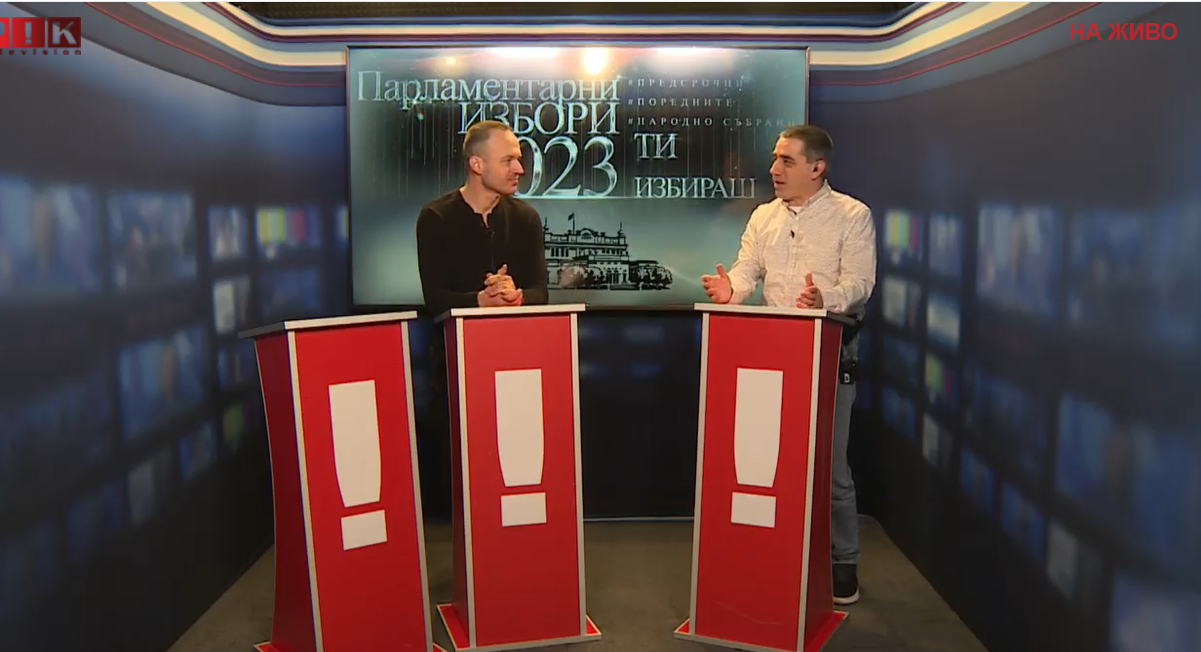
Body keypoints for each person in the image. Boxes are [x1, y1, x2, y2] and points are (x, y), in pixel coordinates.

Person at [701, 124, 877, 606]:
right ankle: (771, 554)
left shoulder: (852, 216)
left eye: (787, 161)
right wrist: (732, 290)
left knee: (830, 466)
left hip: (829, 352)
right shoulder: (764, 216)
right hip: (771, 356)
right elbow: (747, 268)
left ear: (817, 168)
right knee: (764, 464)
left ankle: (842, 561)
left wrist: (826, 298)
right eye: (775, 159)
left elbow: (860, 283)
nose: (774, 169)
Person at [415, 119, 549, 317]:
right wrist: (481, 300)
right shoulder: (436, 218)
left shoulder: (526, 218)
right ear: (476, 165)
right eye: (508, 160)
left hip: (518, 332)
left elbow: (540, 291)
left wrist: (516, 297)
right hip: (457, 335)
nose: (519, 169)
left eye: (518, 159)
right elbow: (436, 299)